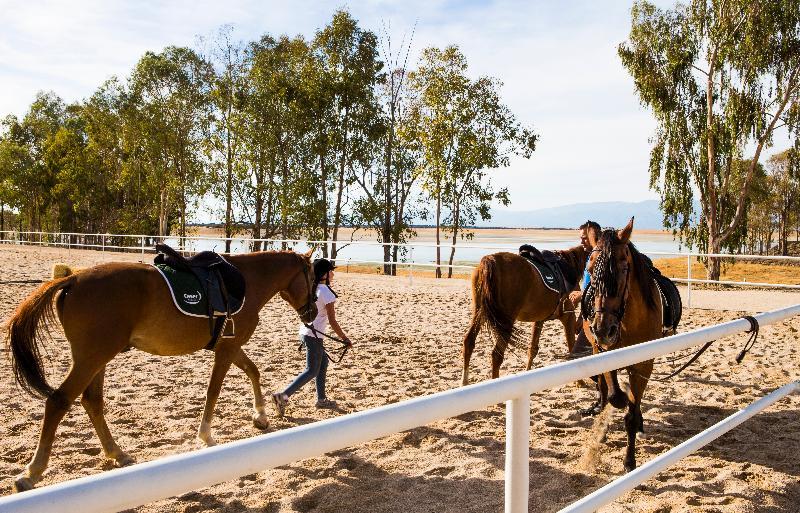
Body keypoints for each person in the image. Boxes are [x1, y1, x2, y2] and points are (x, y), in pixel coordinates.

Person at [272, 258, 352, 417]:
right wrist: (344, 338)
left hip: (306, 332)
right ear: (324, 274)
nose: (333, 273)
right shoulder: (327, 292)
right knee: (311, 370)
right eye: (331, 271)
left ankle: (321, 399)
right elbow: (332, 321)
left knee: (322, 364)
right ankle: (283, 396)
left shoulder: (313, 289)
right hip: (314, 335)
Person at [568, 220, 601, 357]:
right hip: (589, 314)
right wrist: (582, 317)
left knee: (577, 357)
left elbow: (601, 286)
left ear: (595, 236)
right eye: (580, 238)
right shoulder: (591, 255)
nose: (581, 242)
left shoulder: (600, 257)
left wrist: (582, 294)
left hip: (598, 316)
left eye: (585, 238)